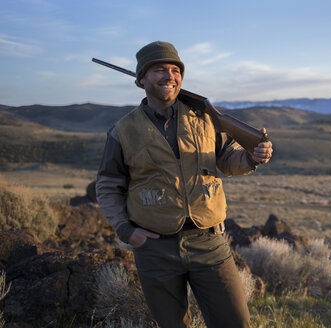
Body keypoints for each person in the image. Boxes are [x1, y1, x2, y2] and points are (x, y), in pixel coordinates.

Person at [96, 41, 273, 328]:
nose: (169, 76)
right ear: (142, 79)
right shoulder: (123, 131)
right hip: (154, 248)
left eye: (175, 70)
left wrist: (253, 157)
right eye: (159, 70)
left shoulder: (205, 119)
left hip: (209, 242)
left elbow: (228, 159)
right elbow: (107, 186)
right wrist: (126, 230)